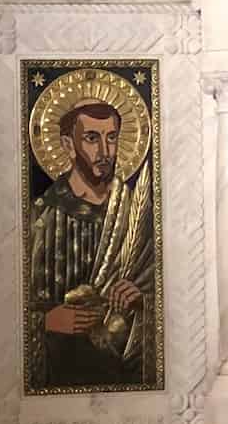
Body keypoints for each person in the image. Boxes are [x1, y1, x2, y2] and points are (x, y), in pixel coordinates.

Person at [28, 99, 154, 390]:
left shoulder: (138, 213)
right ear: (68, 145)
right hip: (58, 370)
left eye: (111, 138)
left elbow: (170, 292)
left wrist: (142, 300)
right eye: (91, 138)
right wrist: (45, 322)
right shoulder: (41, 215)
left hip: (123, 374)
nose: (104, 152)